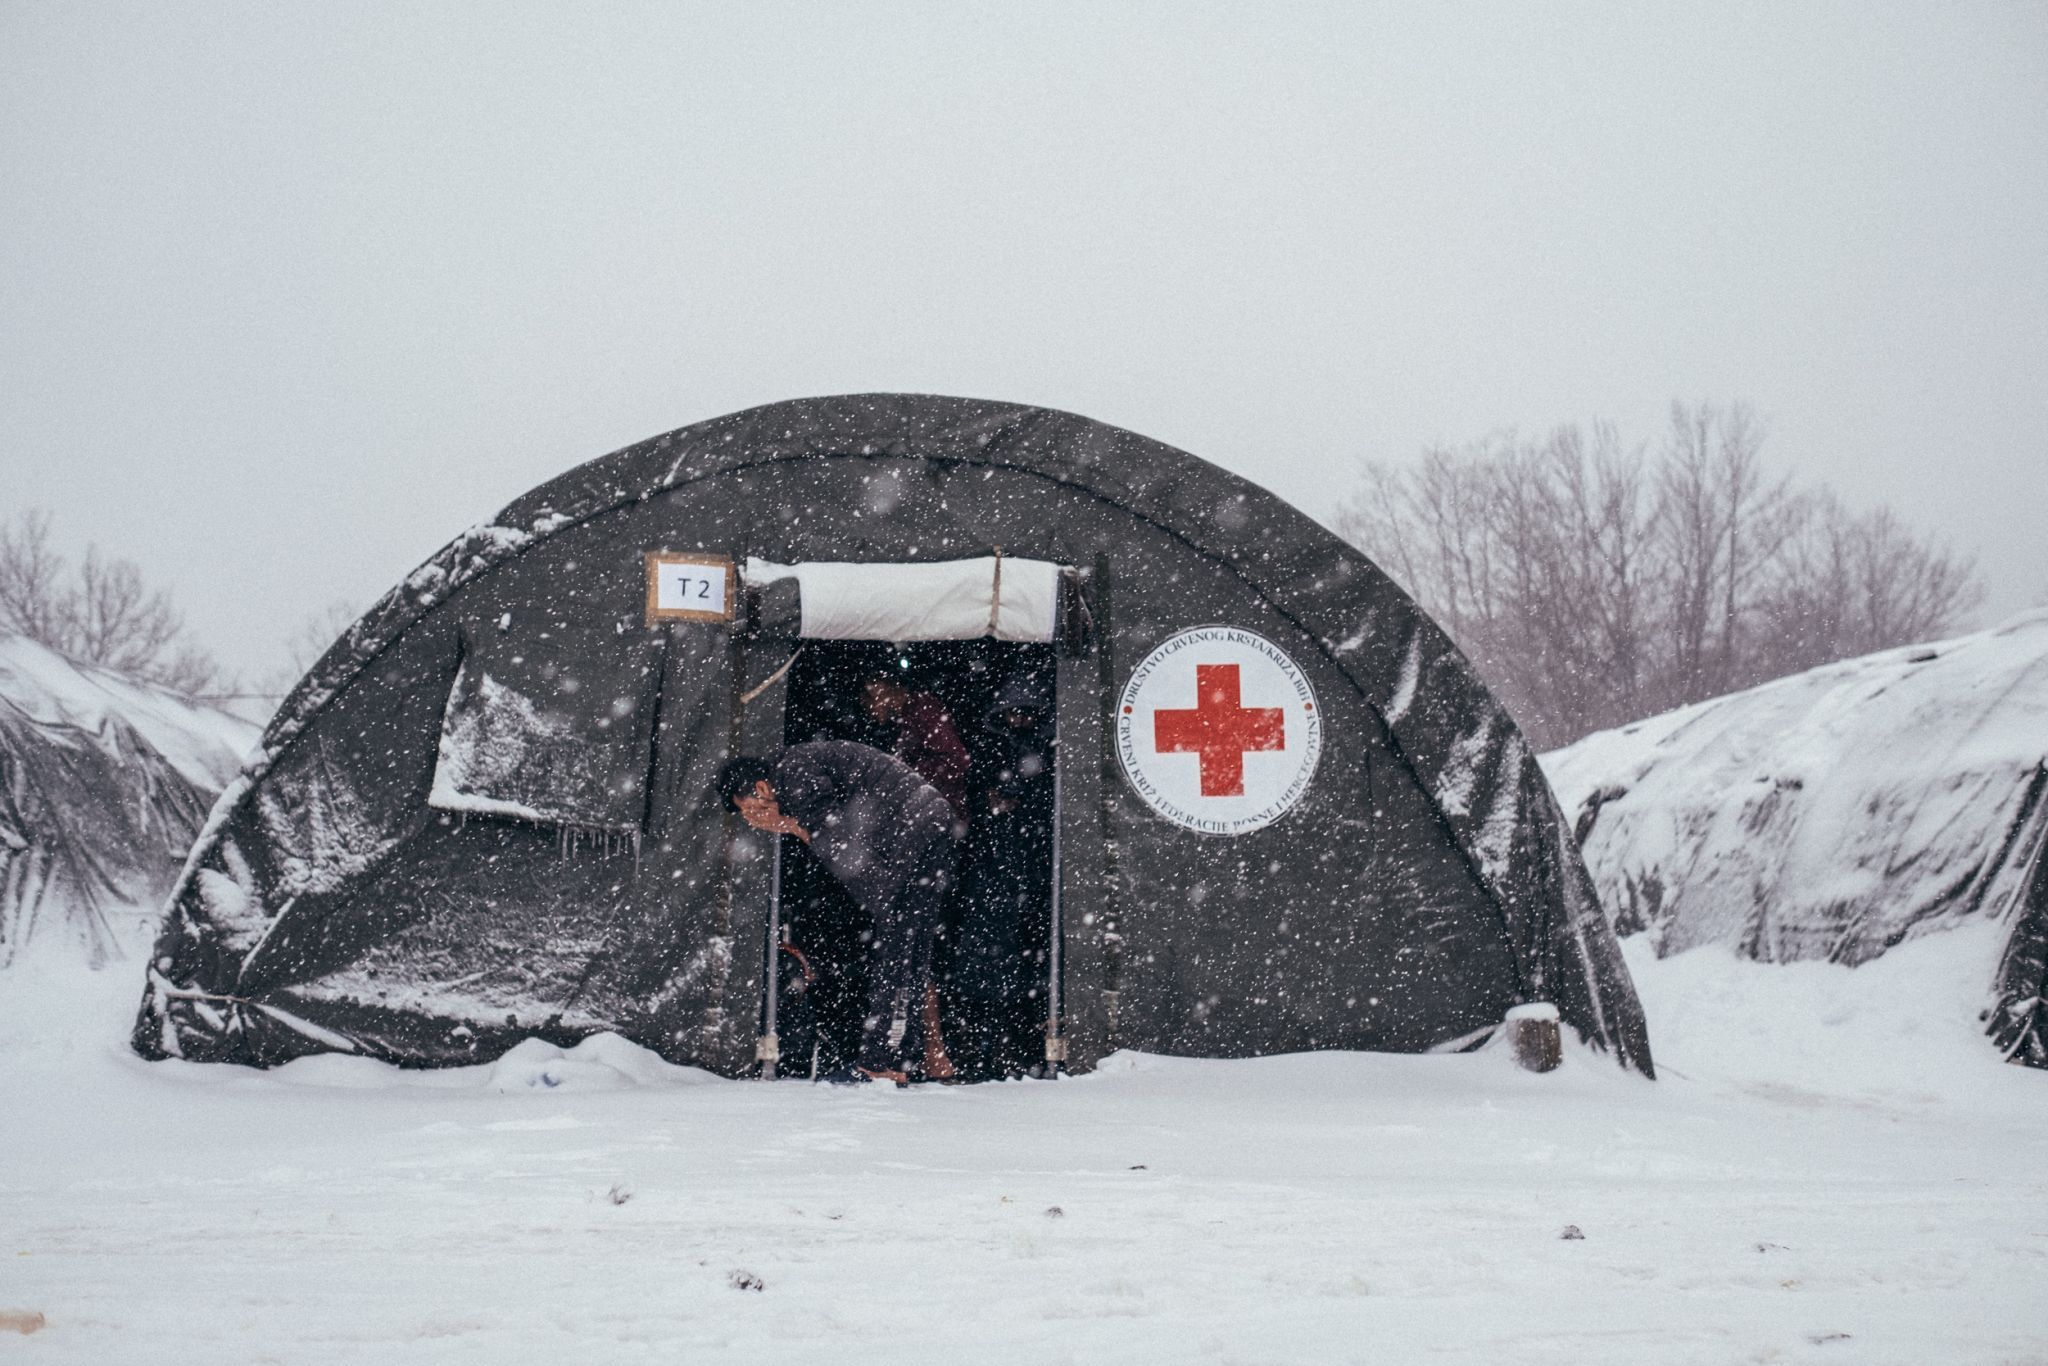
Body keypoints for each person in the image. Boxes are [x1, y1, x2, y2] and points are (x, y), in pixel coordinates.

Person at [719, 741, 957, 1086]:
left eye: (748, 810)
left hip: (912, 823)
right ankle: (902, 1056)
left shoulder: (791, 772)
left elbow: (840, 845)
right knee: (912, 944)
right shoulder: (799, 766)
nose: (752, 820)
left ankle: (879, 1062)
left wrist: (788, 824)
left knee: (897, 943)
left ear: (759, 788)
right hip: (930, 818)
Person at [947, 668, 1057, 1079]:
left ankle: (1025, 1046)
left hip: (1031, 871)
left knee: (1030, 965)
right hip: (991, 873)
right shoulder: (987, 753)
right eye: (1013, 713)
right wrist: (989, 803)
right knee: (985, 966)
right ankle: (983, 1048)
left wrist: (1022, 803)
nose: (1020, 721)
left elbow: (1046, 805)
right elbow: (974, 797)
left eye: (1027, 713)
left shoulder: (1047, 754)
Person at [859, 670, 972, 822]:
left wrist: (910, 776)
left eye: (868, 700)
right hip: (927, 815)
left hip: (942, 815)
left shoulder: (923, 709)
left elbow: (957, 759)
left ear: (881, 688)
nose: (868, 709)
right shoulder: (902, 721)